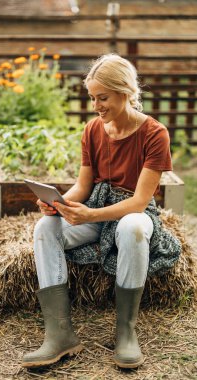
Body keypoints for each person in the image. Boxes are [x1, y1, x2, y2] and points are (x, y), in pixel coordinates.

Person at [22, 54, 181, 369]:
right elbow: (83, 187)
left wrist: (90, 216)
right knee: (45, 228)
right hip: (97, 206)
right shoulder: (93, 130)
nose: (96, 105)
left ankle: (126, 333)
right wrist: (59, 204)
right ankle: (59, 334)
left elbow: (138, 203)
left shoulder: (154, 133)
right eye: (93, 97)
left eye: (103, 97)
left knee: (132, 226)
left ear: (125, 92)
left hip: (134, 212)